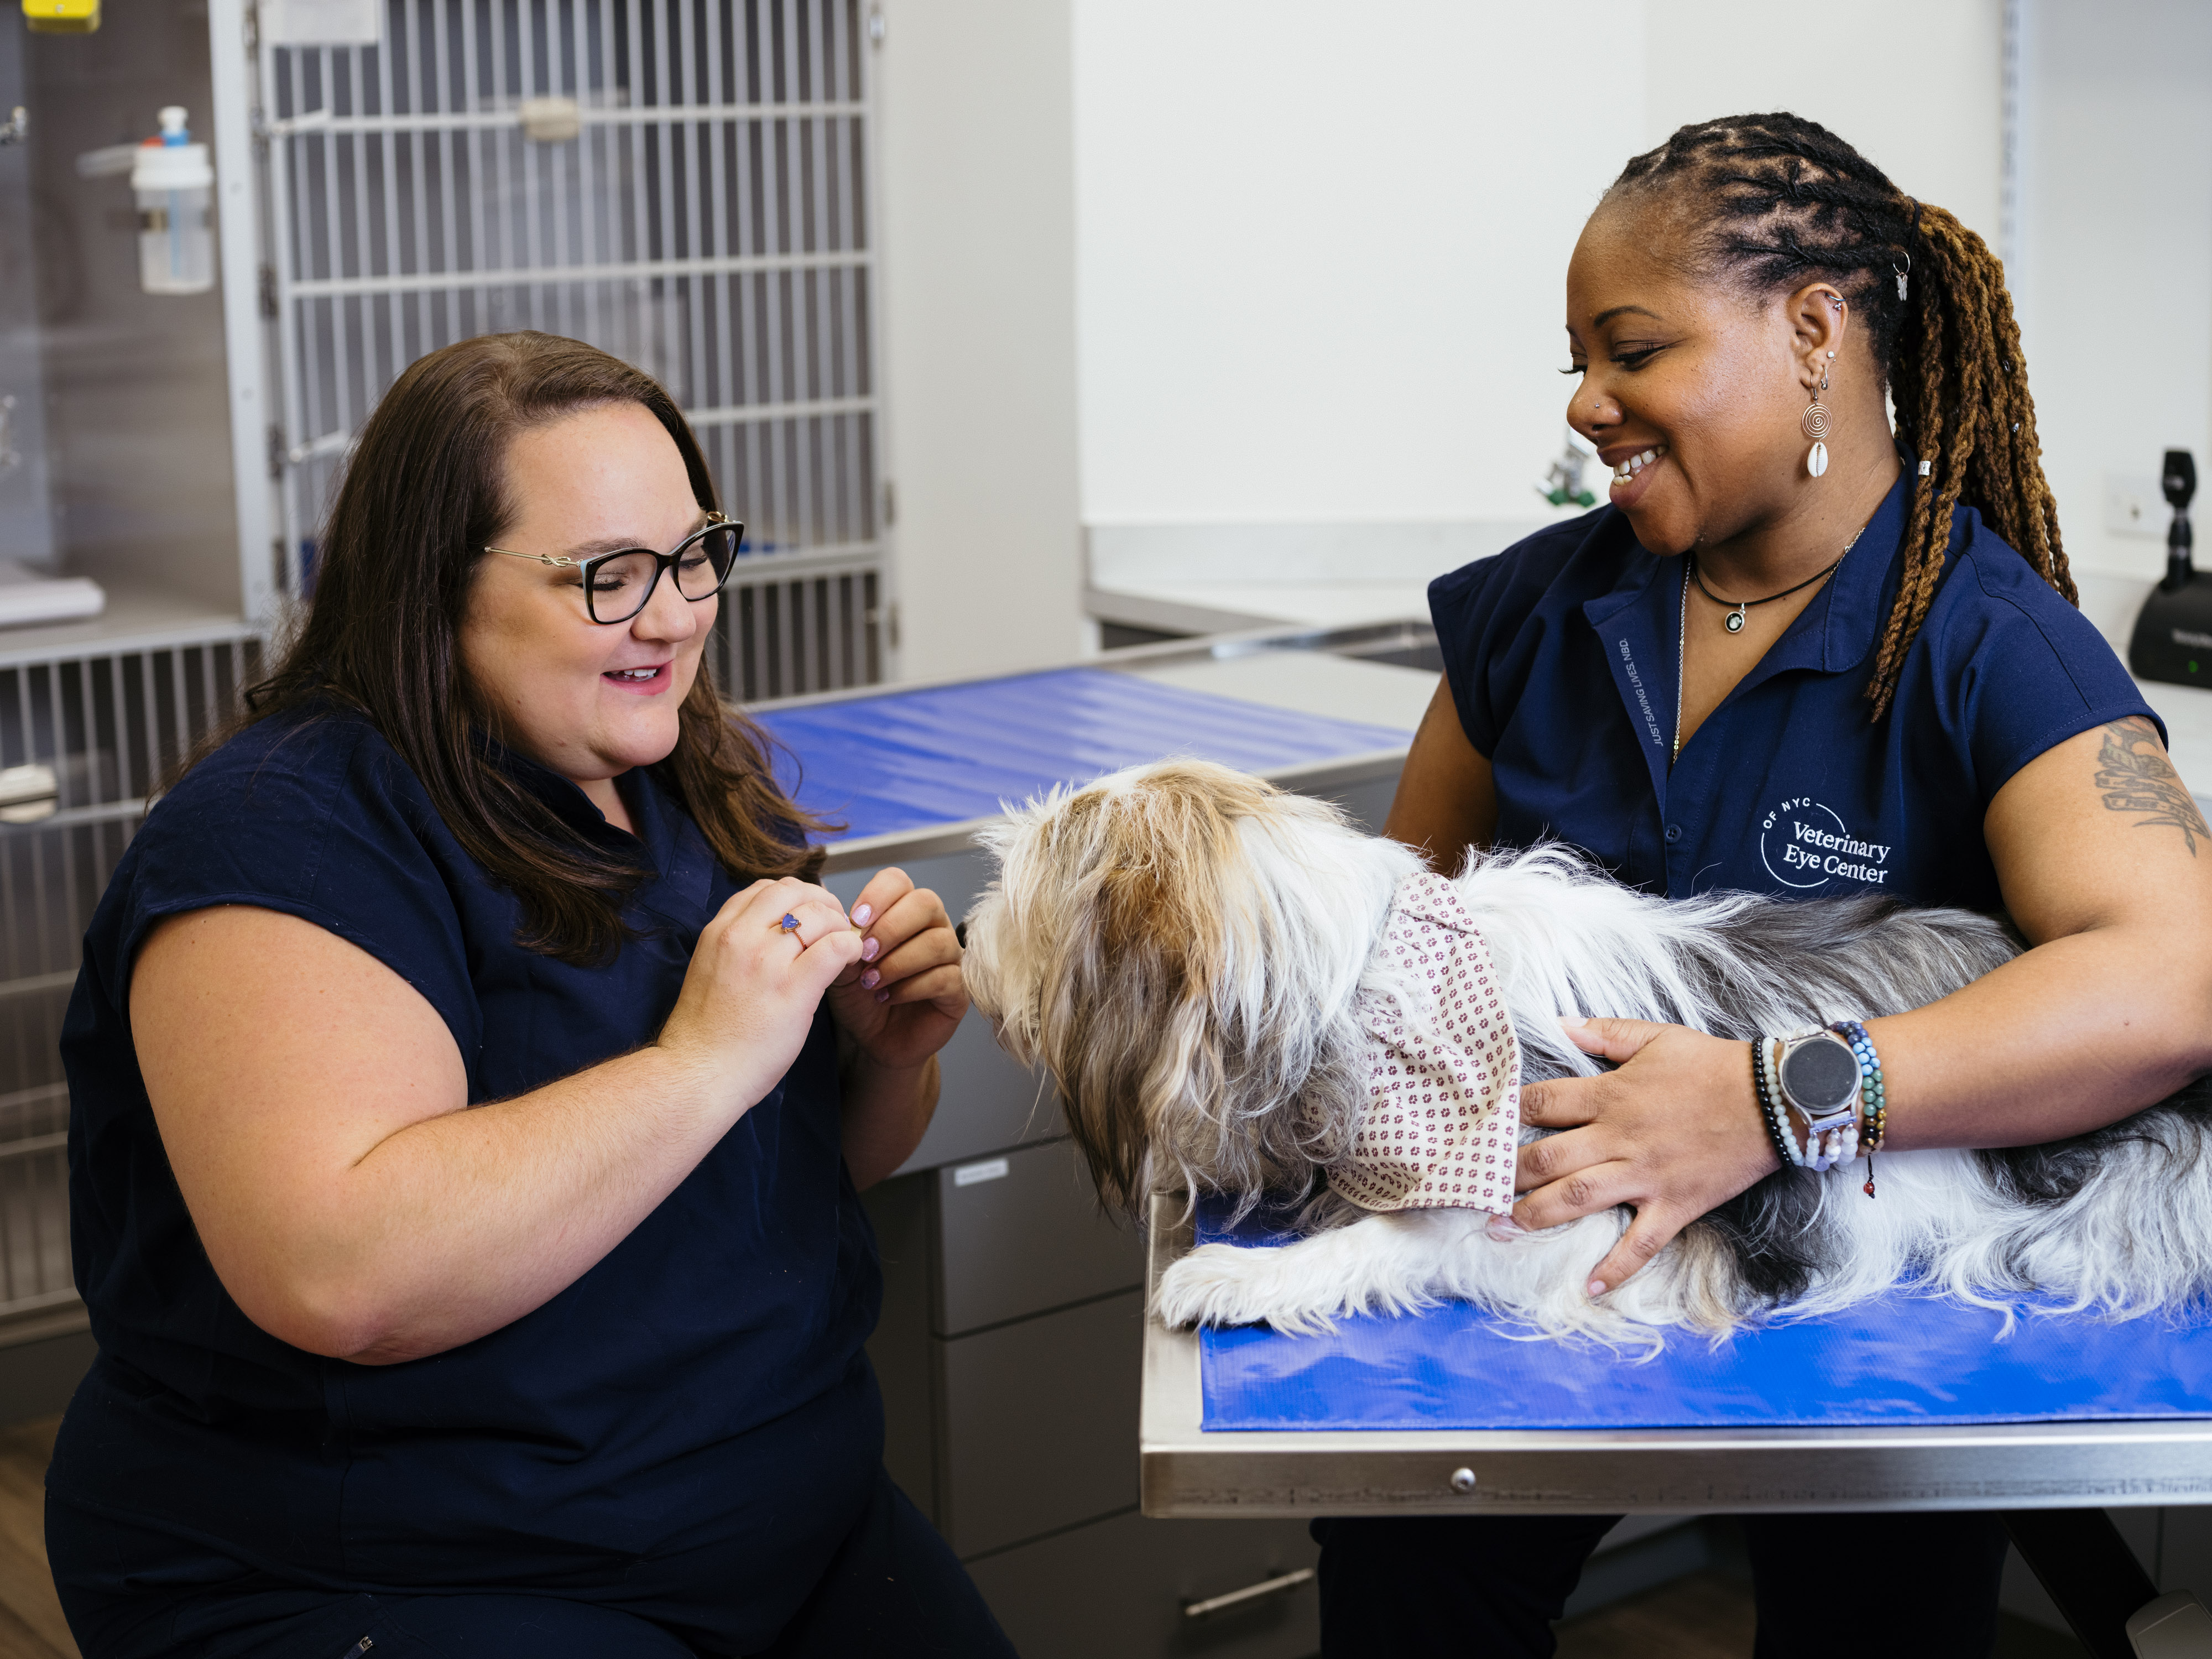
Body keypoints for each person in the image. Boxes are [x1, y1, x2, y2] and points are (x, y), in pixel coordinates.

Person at [1317, 114, 2212, 1659]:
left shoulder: (1986, 641)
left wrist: (1771, 1098)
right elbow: (1395, 943)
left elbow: (2168, 981)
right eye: (1578, 362)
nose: (1592, 403)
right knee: (1414, 1601)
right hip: (1533, 1263)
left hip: (1865, 1305)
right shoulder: (1541, 613)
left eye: (1636, 349)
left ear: (1813, 331)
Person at [45, 332, 1018, 1658]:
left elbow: (790, 1183)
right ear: (432, 585)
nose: (672, 616)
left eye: (692, 558)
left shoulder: (684, 779)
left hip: (779, 1520)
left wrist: (882, 1062)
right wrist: (704, 1058)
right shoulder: (283, 834)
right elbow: (343, 1278)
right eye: (606, 576)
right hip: (415, 1575)